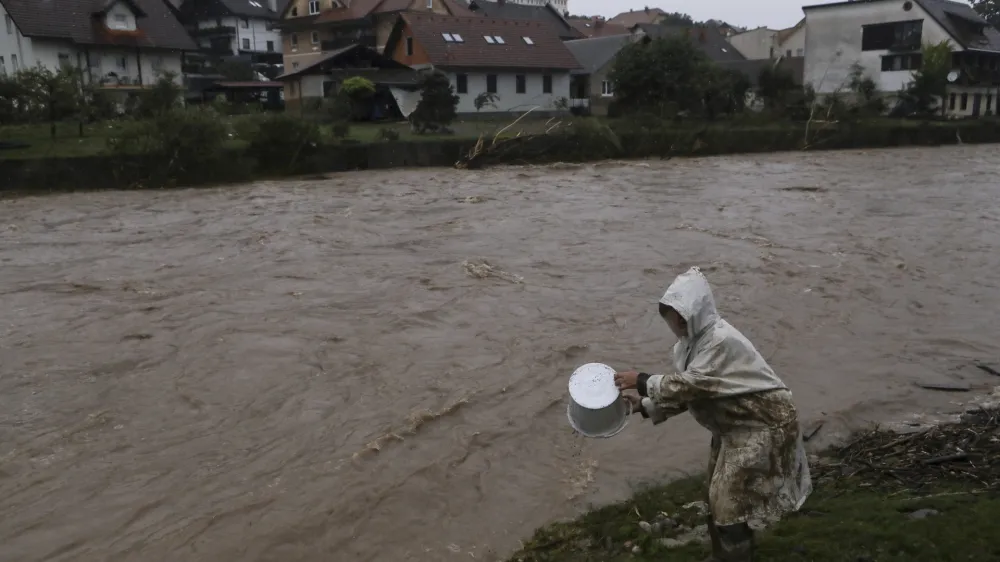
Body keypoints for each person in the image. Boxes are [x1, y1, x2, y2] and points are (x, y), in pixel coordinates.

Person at [614, 267, 811, 562]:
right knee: (715, 494)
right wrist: (642, 404)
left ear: (689, 315)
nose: (673, 325)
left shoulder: (719, 342)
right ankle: (725, 554)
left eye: (675, 318)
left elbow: (692, 384)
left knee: (727, 499)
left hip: (764, 424)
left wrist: (641, 380)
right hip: (735, 426)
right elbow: (690, 393)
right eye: (670, 318)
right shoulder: (691, 345)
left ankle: (737, 556)